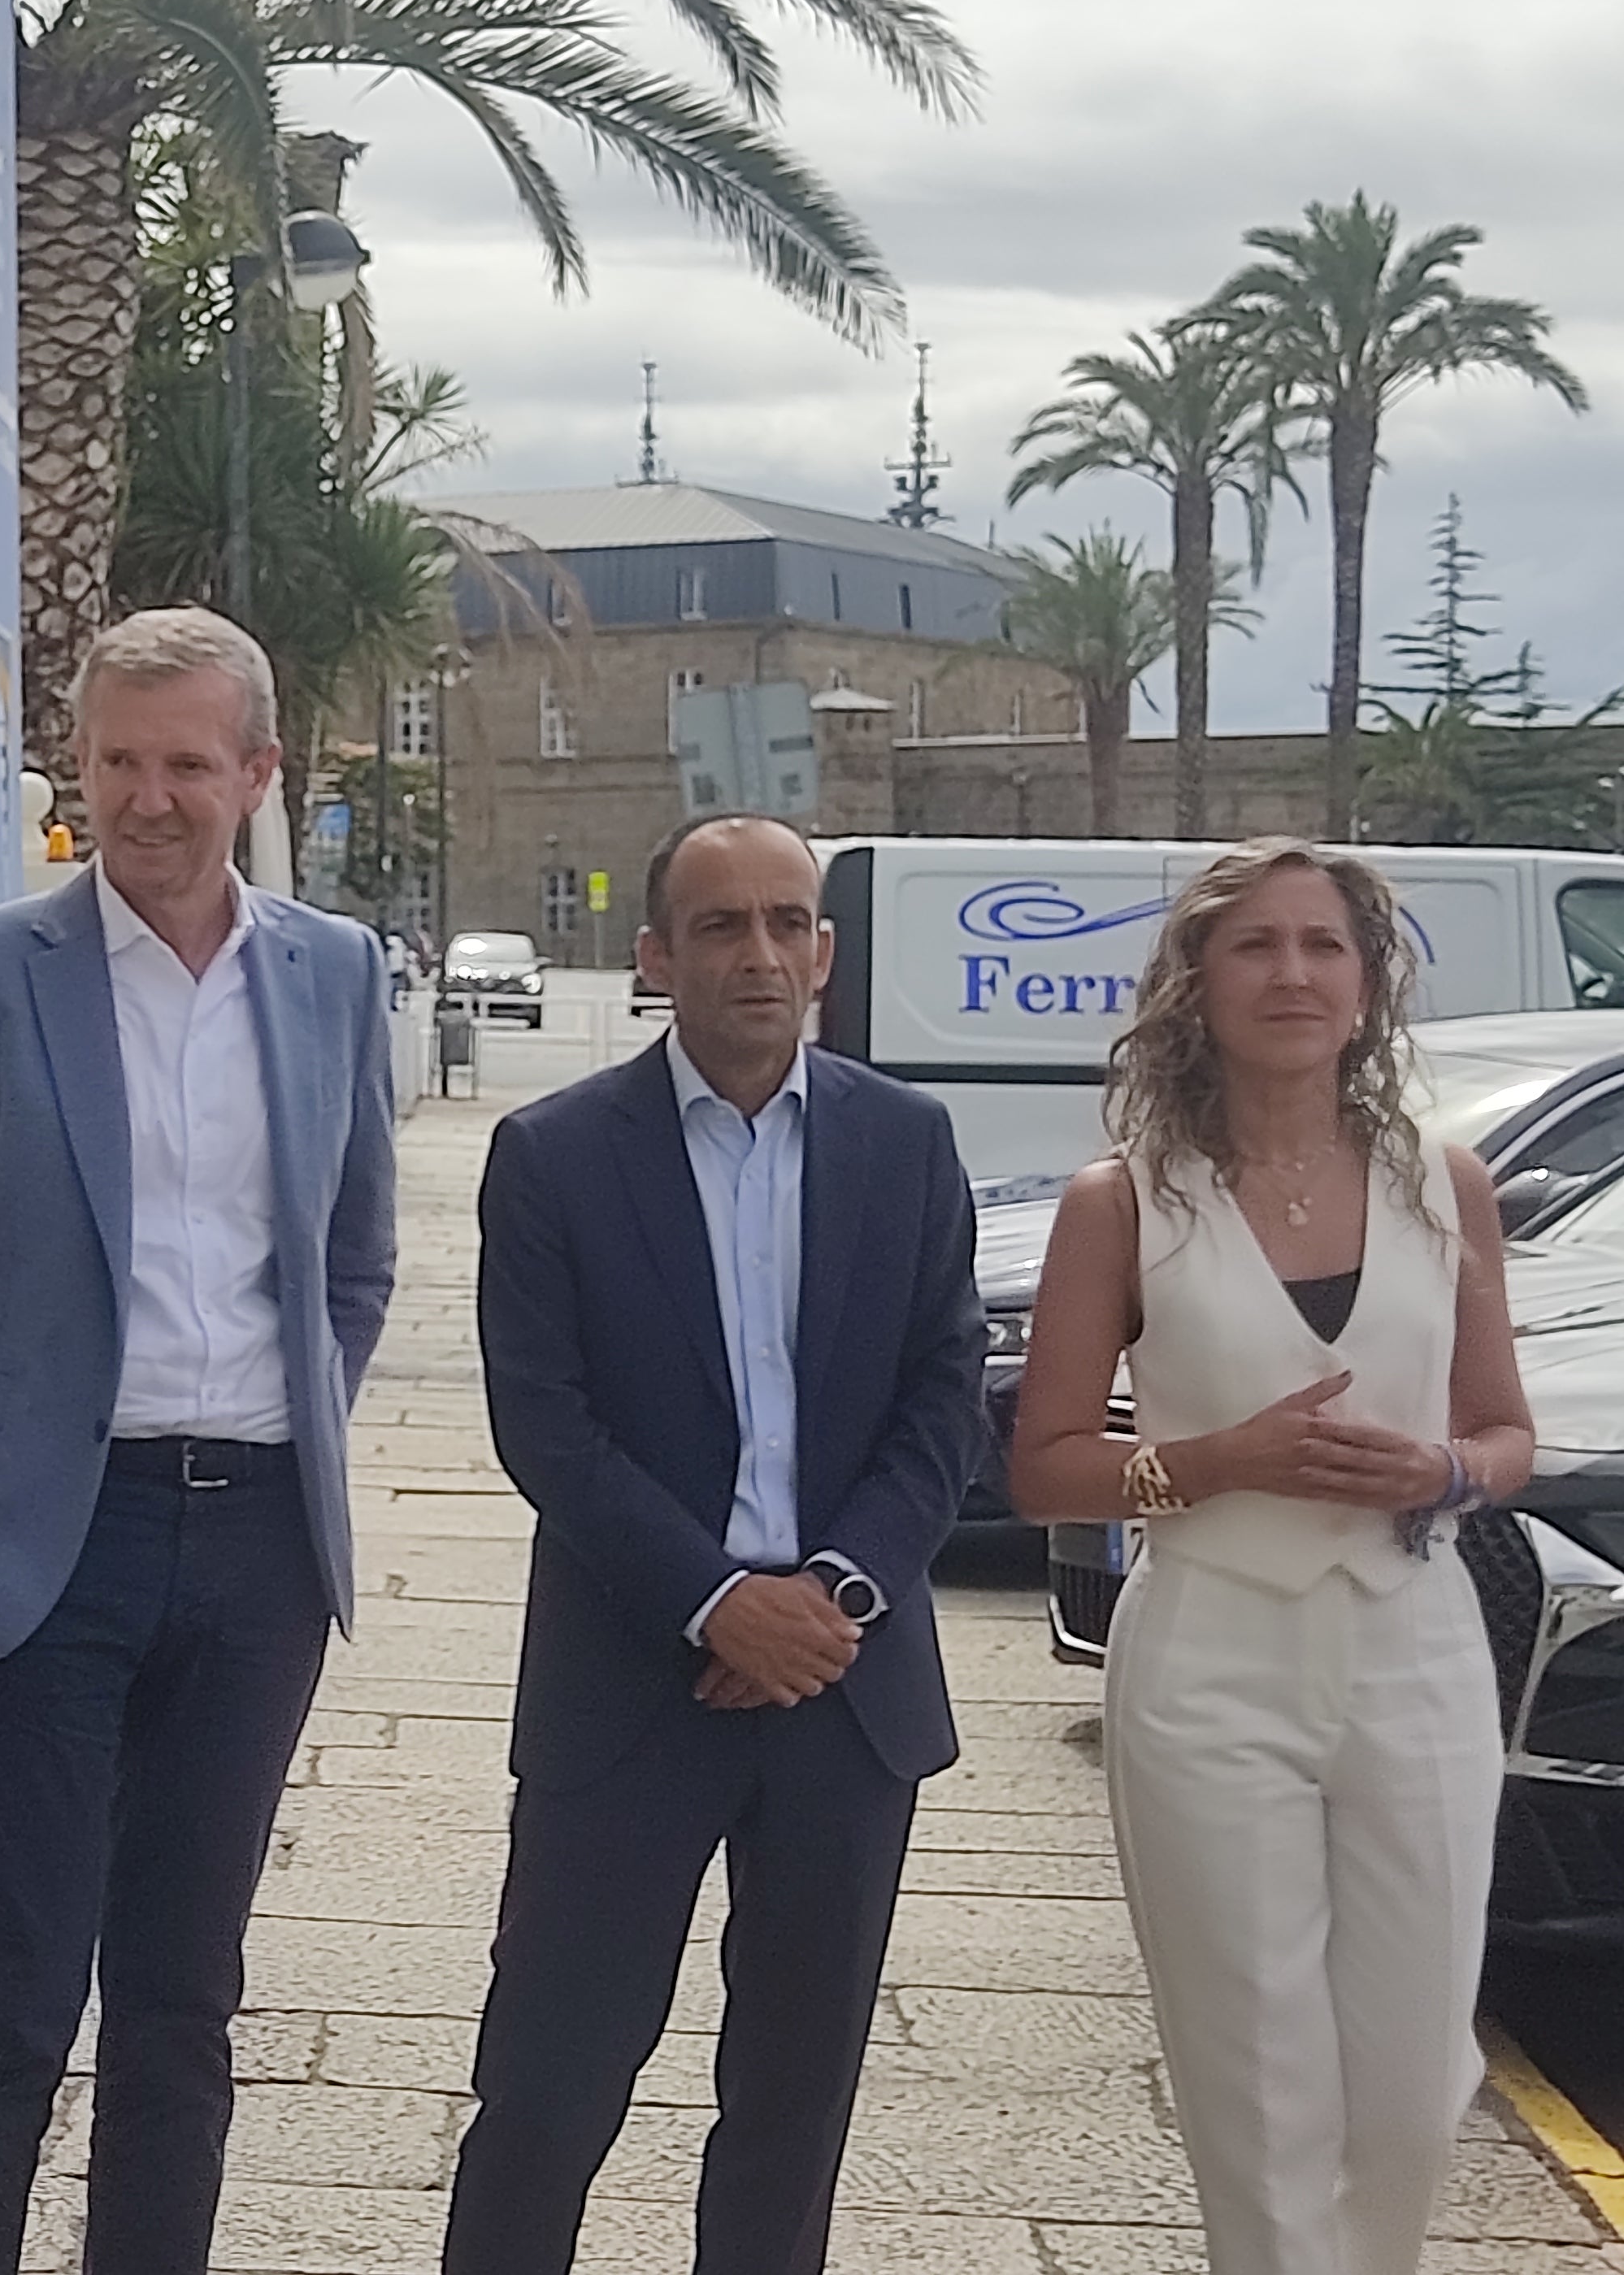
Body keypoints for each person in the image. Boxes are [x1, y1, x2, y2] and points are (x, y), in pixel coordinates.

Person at [0, 606, 397, 2275]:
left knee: (181, 2001)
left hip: (253, 1549)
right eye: (115, 762)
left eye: (183, 763)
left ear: (254, 771)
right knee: (8, 2002)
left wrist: (281, 1414)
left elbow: (354, 1260)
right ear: (72, 774)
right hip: (45, 1553)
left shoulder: (331, 973)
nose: (147, 799)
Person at [445, 811, 985, 2275]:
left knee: (792, 2112)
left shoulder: (906, 1142)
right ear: (654, 957)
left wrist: (830, 1597)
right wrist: (713, 1603)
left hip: (845, 1695)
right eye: (721, 925)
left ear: (823, 949)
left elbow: (945, 1401)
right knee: (549, 2094)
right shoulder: (554, 1156)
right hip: (631, 1690)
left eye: (786, 923)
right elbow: (544, 1425)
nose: (760, 954)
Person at [1010, 839, 1531, 2275]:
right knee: (1255, 2075)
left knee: (1420, 2079)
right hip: (1211, 1664)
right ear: (1198, 983)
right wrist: (1214, 1462)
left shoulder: (1446, 1182)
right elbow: (1044, 1463)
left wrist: (1442, 1469)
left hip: (1414, 1653)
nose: (1293, 973)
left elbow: (1503, 1436)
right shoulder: (1123, 1201)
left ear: (1367, 986)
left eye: (1323, 946)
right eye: (1257, 946)